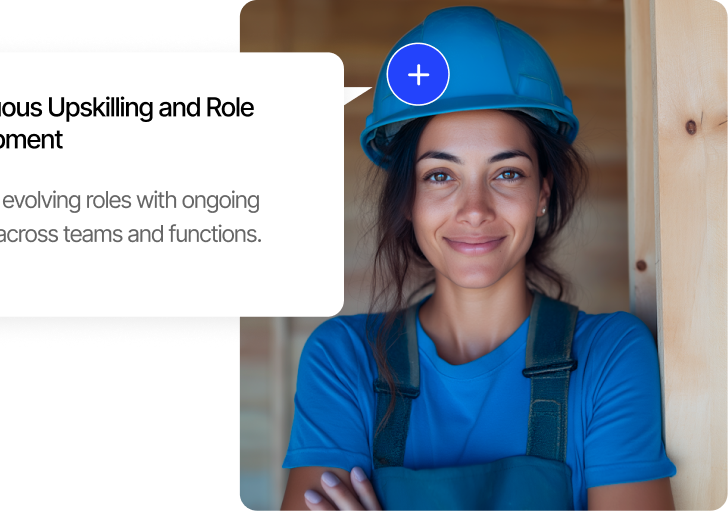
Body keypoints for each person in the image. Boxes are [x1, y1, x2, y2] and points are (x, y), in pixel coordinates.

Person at [280, 7, 676, 511]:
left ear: (542, 193)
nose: (474, 210)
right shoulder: (342, 360)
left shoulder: (610, 358)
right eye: (440, 176)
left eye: (507, 173)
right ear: (408, 199)